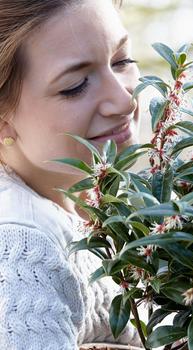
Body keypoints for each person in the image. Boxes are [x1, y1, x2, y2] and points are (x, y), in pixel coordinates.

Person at [0, 0, 143, 348]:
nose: (125, 102)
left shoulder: (83, 195)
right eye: (76, 85)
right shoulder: (21, 244)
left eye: (121, 61)